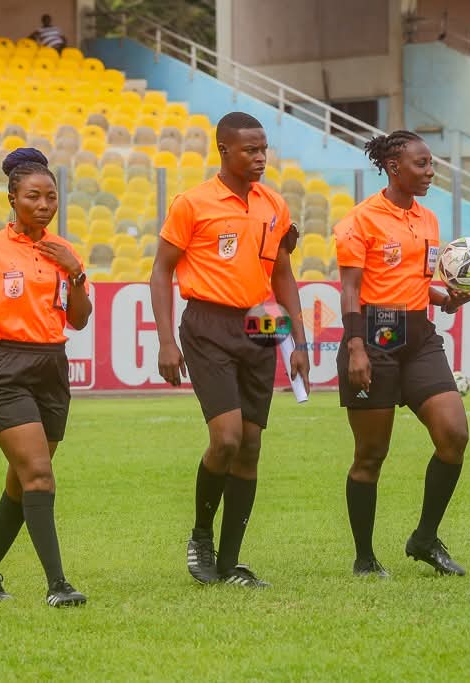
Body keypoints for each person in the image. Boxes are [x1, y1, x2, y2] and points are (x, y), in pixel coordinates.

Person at [150, 111, 310, 588]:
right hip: (207, 323)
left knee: (251, 445)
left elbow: (282, 274)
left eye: (264, 149)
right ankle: (201, 535)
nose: (260, 158)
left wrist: (299, 341)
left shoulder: (273, 204)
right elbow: (161, 271)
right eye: (250, 150)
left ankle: (230, 563)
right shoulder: (192, 203)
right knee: (226, 439)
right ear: (224, 150)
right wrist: (166, 340)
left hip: (259, 324)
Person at [0, 148, 92, 606]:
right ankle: (58, 585)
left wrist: (76, 273)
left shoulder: (65, 251)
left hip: (53, 368)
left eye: (51, 197)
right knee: (40, 476)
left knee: (21, 481)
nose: (44, 205)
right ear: (12, 199)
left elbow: (79, 320)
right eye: (33, 196)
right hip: (6, 370)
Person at [334, 130, 470, 578]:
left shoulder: (428, 219)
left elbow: (417, 282)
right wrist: (356, 346)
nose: (430, 171)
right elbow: (351, 289)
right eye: (422, 164)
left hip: (418, 334)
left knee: (454, 435)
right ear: (394, 167)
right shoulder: (360, 220)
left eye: (431, 163)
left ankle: (425, 538)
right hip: (375, 333)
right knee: (371, 453)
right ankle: (365, 558)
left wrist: (447, 298)